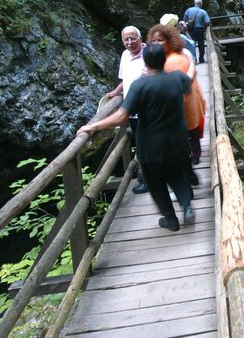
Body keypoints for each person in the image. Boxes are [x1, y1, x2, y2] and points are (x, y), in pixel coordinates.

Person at [78, 44, 195, 232]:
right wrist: (190, 64)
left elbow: (122, 116)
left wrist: (94, 126)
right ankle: (187, 205)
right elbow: (187, 81)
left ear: (145, 62)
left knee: (154, 180)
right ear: (164, 59)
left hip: (151, 143)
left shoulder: (140, 85)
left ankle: (170, 219)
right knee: (177, 172)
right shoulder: (177, 78)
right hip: (177, 139)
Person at [148, 25, 206, 179]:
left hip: (182, 106)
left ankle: (188, 172)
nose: (155, 44)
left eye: (159, 41)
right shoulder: (176, 55)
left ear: (169, 41)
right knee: (189, 135)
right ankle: (192, 163)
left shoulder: (173, 61)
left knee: (183, 138)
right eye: (153, 41)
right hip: (189, 102)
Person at [106, 26, 148, 194]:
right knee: (141, 144)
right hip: (133, 111)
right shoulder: (124, 55)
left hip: (148, 108)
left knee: (145, 145)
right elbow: (126, 79)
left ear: (140, 38)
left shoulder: (150, 55)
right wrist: (116, 92)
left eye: (133, 38)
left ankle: (147, 180)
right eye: (126, 39)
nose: (129, 42)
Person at [183, 0, 210, 64]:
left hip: (190, 30)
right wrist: (204, 26)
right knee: (201, 44)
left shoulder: (188, 10)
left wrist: (189, 23)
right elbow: (207, 21)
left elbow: (184, 19)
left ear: (194, 3)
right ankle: (201, 59)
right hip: (199, 30)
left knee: (191, 44)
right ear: (201, 4)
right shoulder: (203, 12)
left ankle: (193, 59)